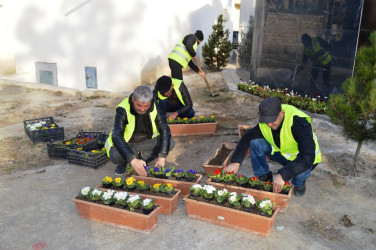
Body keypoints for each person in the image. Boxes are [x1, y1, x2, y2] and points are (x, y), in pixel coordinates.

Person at [223, 97, 321, 197]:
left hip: (303, 160)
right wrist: (236, 161)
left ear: (281, 113)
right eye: (266, 121)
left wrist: (283, 175)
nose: (269, 124)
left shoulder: (298, 122)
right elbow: (246, 138)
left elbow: (308, 157)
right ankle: (263, 176)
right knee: (256, 143)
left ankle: (299, 184)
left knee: (299, 175)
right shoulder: (266, 123)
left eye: (272, 120)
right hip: (283, 153)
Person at [105, 85, 174, 176]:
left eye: (146, 106)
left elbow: (164, 129)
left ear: (151, 101)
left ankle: (142, 162)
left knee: (170, 143)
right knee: (115, 155)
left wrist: (162, 157)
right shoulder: (122, 109)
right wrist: (132, 159)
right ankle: (126, 163)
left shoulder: (155, 106)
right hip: (127, 143)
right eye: (139, 105)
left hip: (145, 142)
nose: (142, 109)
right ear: (133, 98)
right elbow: (116, 135)